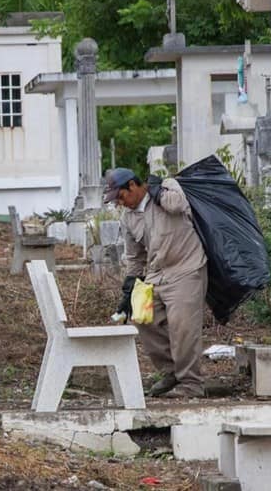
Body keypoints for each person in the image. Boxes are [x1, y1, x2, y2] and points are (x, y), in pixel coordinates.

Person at [104, 168, 208, 398]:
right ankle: (172, 372)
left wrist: (154, 189)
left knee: (182, 327)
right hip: (156, 275)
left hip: (186, 269)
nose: (121, 203)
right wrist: (129, 290)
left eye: (121, 196)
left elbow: (178, 204)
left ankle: (191, 383)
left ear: (132, 185)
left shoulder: (167, 188)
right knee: (142, 318)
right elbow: (135, 257)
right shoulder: (128, 218)